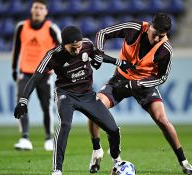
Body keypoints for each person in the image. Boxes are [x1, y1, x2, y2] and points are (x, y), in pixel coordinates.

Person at [87, 13, 192, 175]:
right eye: (155, 35)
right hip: (120, 80)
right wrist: (98, 52)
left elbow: (162, 77)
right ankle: (97, 150)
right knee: (94, 108)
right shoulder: (134, 29)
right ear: (149, 26)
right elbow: (102, 33)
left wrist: (140, 83)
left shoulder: (165, 49)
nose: (156, 39)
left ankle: (184, 163)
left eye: (161, 36)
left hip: (144, 85)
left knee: (162, 120)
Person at [14, 26, 133, 175]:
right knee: (65, 125)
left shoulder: (87, 45)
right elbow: (35, 78)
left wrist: (119, 62)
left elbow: (99, 56)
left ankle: (116, 158)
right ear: (64, 44)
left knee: (114, 130)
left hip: (87, 95)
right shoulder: (52, 56)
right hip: (66, 95)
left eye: (79, 47)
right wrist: (23, 100)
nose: (77, 51)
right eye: (73, 48)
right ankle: (57, 170)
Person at [11, 0, 61, 151]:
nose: (37, 10)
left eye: (41, 8)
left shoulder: (51, 28)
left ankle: (48, 138)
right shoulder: (21, 27)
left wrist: (59, 69)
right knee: (21, 103)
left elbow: (62, 49)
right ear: (31, 10)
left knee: (47, 107)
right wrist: (14, 68)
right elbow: (17, 49)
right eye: (35, 7)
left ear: (46, 12)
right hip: (25, 72)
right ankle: (24, 138)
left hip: (44, 74)